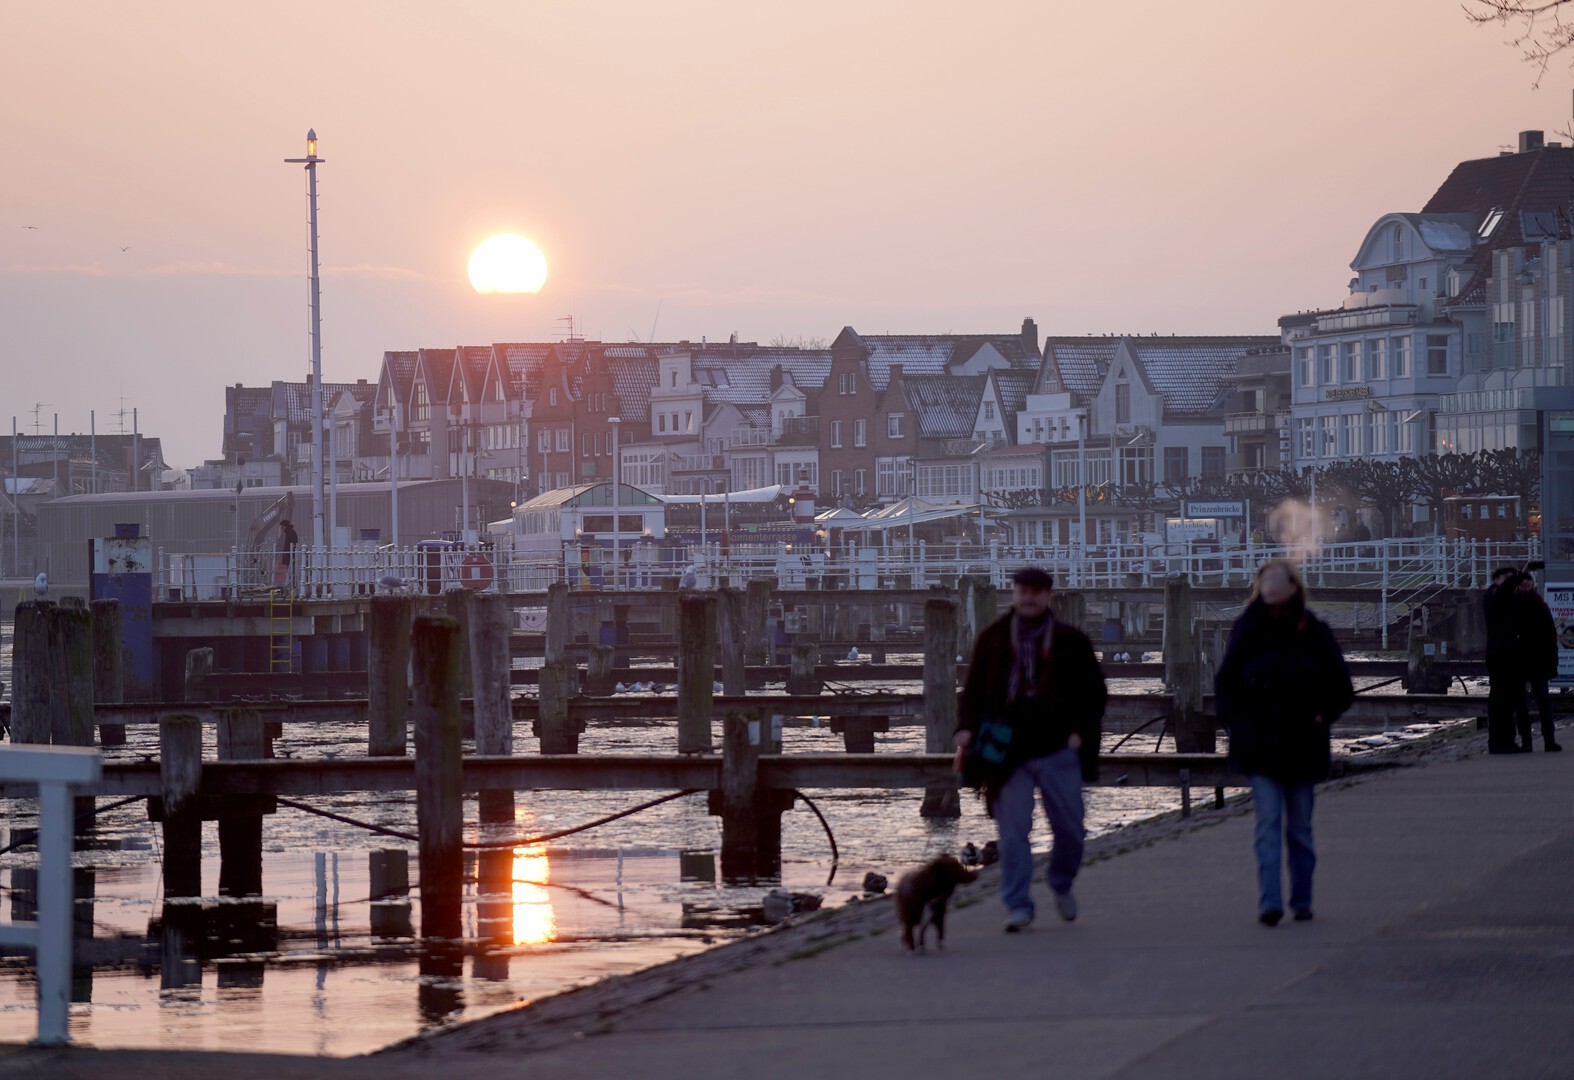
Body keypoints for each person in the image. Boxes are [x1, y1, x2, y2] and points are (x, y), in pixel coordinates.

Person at [954, 567, 1106, 933]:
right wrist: (965, 729)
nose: (1029, 597)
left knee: (1071, 830)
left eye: (1037, 592)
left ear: (1049, 597)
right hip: (1008, 753)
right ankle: (1018, 904)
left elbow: (1094, 694)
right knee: (1013, 832)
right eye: (1023, 591)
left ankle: (1061, 881)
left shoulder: (1072, 641)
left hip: (1058, 748)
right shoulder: (992, 639)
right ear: (1014, 594)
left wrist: (1080, 736)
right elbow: (973, 689)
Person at [1215, 560, 1353, 926]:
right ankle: (1270, 902)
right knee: (1268, 823)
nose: (1270, 587)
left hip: (1303, 742)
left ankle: (1302, 899)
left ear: (1294, 587)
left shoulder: (1314, 630)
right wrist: (1234, 718)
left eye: (1277, 581)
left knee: (1300, 829)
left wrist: (1322, 715)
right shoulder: (1246, 629)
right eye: (1265, 581)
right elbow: (1226, 681)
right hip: (1259, 745)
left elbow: (1341, 686)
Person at [1515, 571, 1563, 752]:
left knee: (1543, 700)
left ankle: (1548, 739)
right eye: (1522, 581)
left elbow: (1550, 635)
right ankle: (1526, 741)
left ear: (1533, 584)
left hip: (1538, 660)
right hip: (1520, 660)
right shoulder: (1513, 604)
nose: (1526, 583)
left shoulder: (1540, 606)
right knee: (1521, 704)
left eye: (1529, 581)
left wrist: (1552, 659)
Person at [1483, 565, 1527, 753]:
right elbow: (1504, 591)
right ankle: (1501, 740)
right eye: (1506, 578)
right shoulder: (1493, 595)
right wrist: (1519, 575)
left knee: (1505, 699)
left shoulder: (1507, 596)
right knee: (1501, 698)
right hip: (1500, 654)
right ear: (1496, 579)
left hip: (1507, 653)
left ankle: (1503, 739)